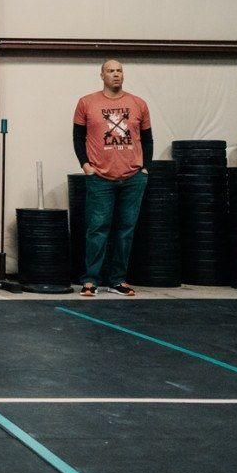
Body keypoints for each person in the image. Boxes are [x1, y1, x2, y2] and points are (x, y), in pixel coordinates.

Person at [74, 60, 152, 297]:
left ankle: (117, 280)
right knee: (98, 229)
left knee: (125, 230)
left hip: (132, 178)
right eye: (110, 71)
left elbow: (148, 139)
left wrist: (145, 168)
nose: (115, 74)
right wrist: (86, 166)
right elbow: (78, 138)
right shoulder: (87, 103)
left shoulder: (139, 104)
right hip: (100, 178)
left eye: (119, 71)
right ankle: (91, 281)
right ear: (102, 75)